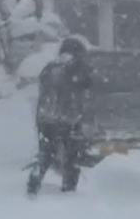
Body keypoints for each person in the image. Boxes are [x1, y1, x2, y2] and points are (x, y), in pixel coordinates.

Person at [27, 37, 93, 195]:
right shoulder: (77, 67)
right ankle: (69, 189)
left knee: (46, 152)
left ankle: (35, 178)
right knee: (72, 156)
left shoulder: (49, 68)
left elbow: (43, 88)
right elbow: (87, 85)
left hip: (45, 117)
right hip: (67, 119)